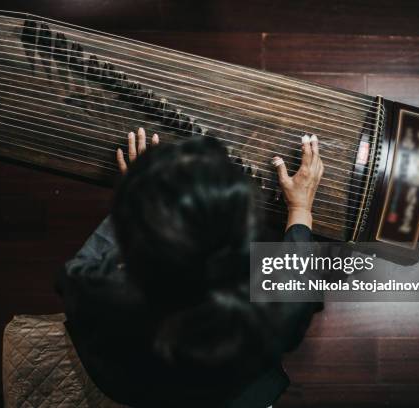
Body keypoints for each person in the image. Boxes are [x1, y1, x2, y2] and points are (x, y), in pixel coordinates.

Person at [56, 128, 324, 408]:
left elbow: (80, 269)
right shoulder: (275, 313)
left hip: (130, 385)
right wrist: (301, 207)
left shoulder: (91, 293)